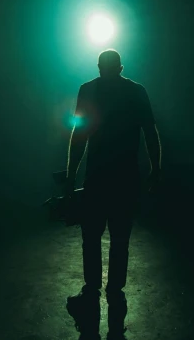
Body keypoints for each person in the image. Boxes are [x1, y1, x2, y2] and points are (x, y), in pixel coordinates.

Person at [65, 49, 162, 340]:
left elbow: (79, 135)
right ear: (121, 67)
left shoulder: (88, 90)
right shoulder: (136, 92)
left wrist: (71, 175)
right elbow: (150, 132)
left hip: (97, 177)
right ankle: (114, 288)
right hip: (125, 178)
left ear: (99, 67)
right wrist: (156, 168)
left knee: (91, 236)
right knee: (120, 238)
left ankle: (93, 286)